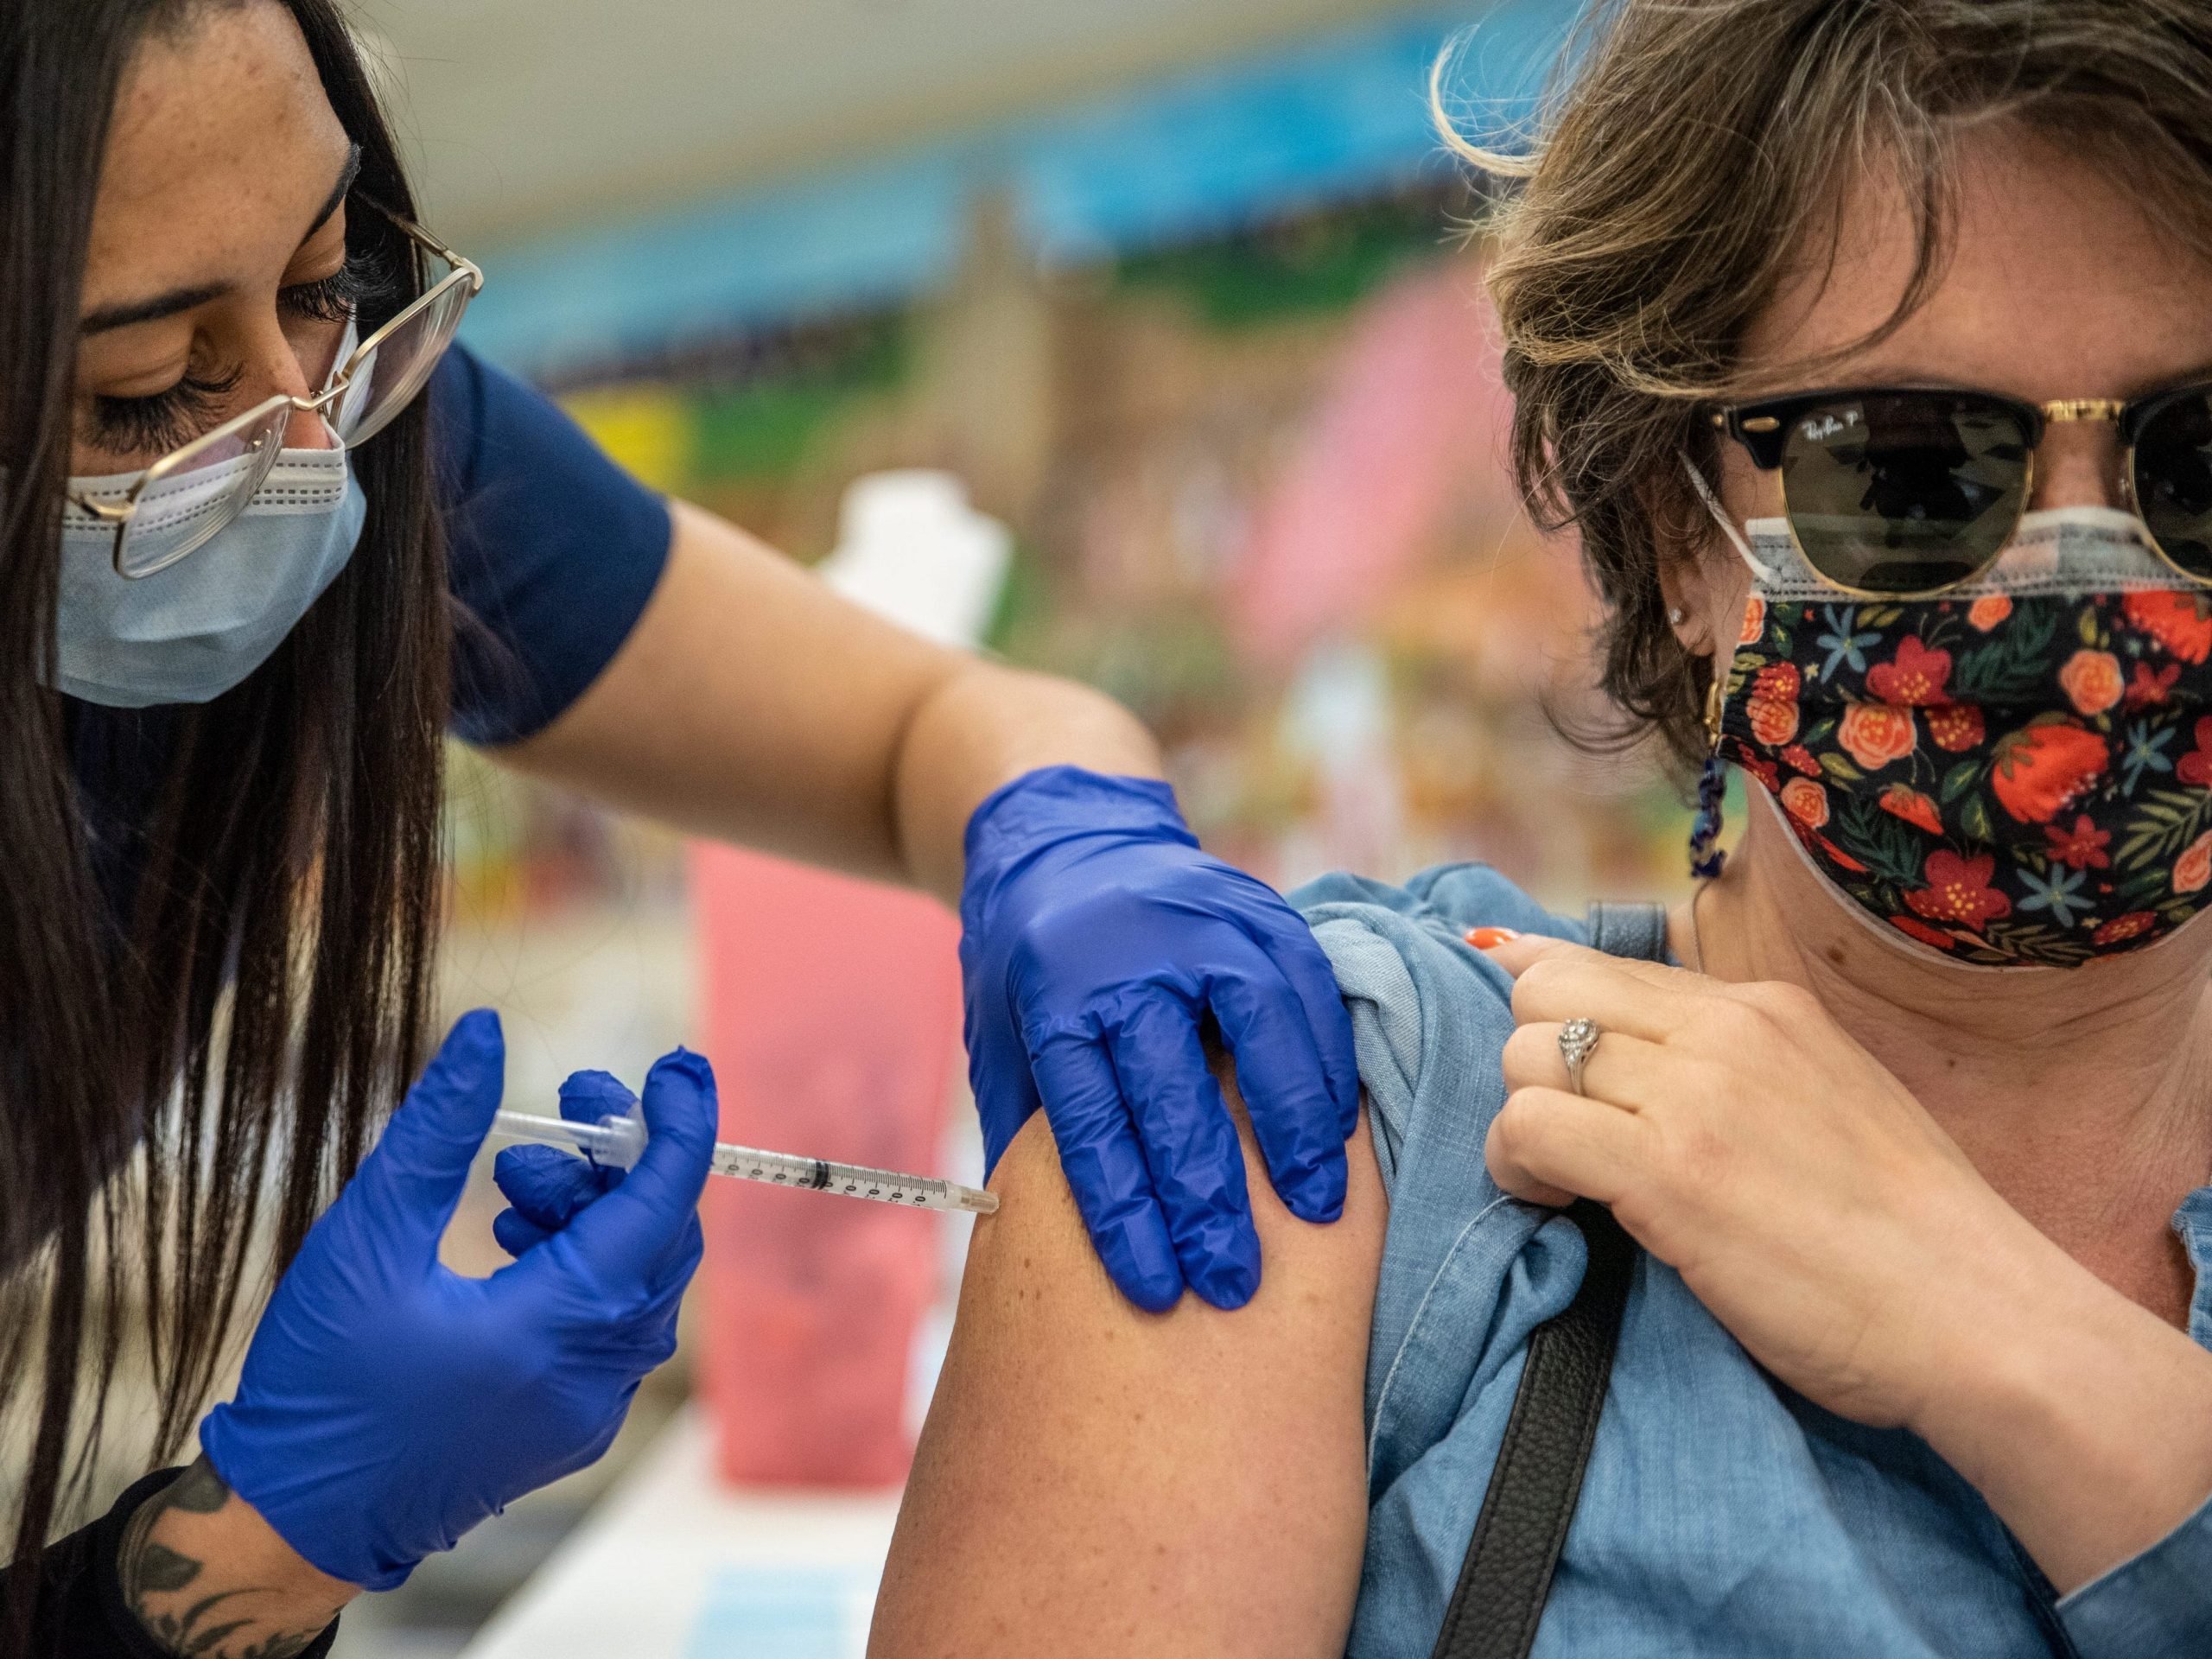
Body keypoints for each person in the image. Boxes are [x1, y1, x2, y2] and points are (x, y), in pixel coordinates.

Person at [0, 2, 1363, 1654]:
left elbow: (933, 720)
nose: (305, 449)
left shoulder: (349, 423)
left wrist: (1069, 830)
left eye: (326, 281)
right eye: (151, 390)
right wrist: (265, 1537)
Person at [870, 2, 2212, 1654]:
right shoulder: (1332, 1119)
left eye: (2201, 460)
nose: (2091, 572)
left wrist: (2017, 1348)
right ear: (1678, 539)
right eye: (1915, 470)